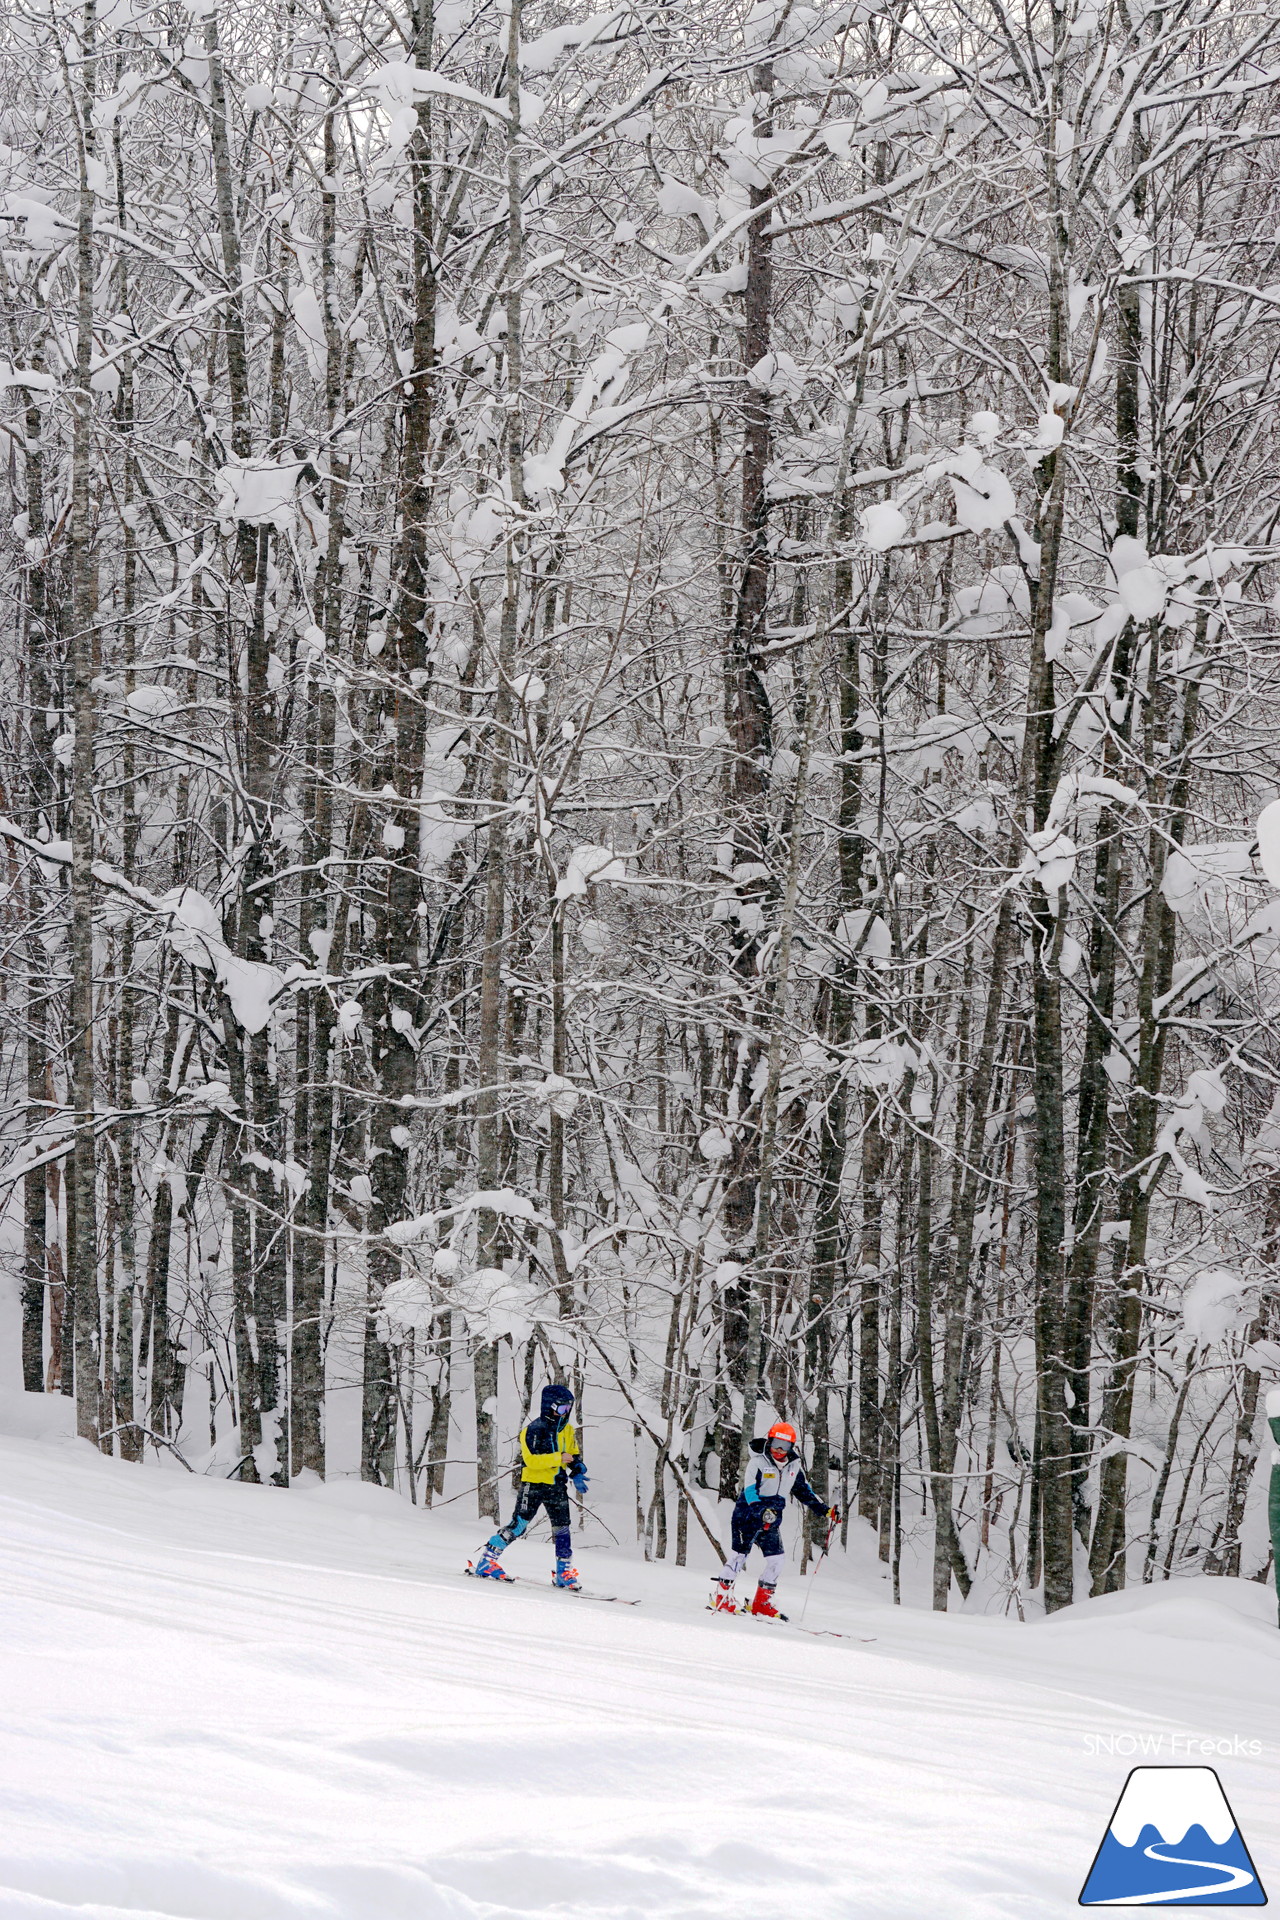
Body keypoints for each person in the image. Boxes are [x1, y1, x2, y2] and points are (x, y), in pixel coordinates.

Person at [712, 1420, 837, 1618]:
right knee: (739, 1556)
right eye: (776, 1443)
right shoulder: (758, 1462)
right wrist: (759, 1510)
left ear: (791, 1447)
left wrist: (826, 1511)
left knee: (777, 1560)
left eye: (785, 1446)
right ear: (769, 1441)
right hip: (747, 1515)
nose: (779, 1450)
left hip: (771, 1520)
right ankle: (721, 1596)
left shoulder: (793, 1466)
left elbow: (804, 1492)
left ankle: (762, 1603)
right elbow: (750, 1490)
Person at [470, 1383, 589, 1590]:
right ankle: (487, 1561)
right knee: (519, 1524)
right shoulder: (534, 1430)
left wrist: (577, 1468)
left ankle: (564, 1572)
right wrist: (558, 1457)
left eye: (568, 1409)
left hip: (556, 1486)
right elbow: (531, 1461)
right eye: (562, 1409)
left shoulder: (567, 1430)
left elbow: (572, 1453)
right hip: (533, 1485)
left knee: (562, 1528)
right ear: (550, 1407)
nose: (565, 1413)